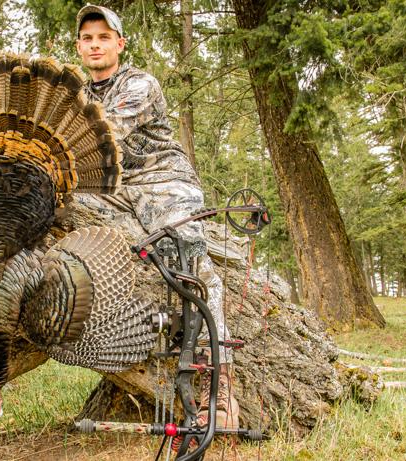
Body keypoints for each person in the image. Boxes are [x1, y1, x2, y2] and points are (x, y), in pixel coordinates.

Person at [74, 5, 240, 431]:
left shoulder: (140, 84)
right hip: (108, 190)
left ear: (119, 44)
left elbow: (101, 132)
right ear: (79, 46)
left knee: (191, 261)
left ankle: (218, 385)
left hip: (161, 182)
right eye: (87, 38)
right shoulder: (76, 94)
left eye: (104, 37)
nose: (95, 44)